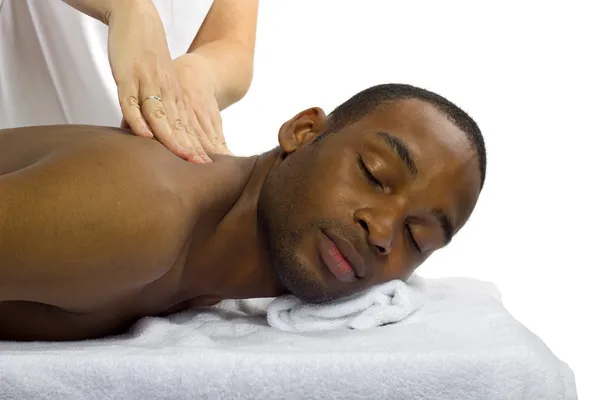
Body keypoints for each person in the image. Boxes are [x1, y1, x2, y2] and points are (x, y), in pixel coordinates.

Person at [0, 83, 486, 341]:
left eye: (418, 238)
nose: (381, 232)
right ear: (303, 132)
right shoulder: (144, 214)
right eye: (375, 174)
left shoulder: (204, 280)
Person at [0, 0, 258, 162]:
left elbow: (232, 42)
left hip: (152, 167)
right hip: (25, 144)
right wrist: (128, 7)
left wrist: (198, 71)